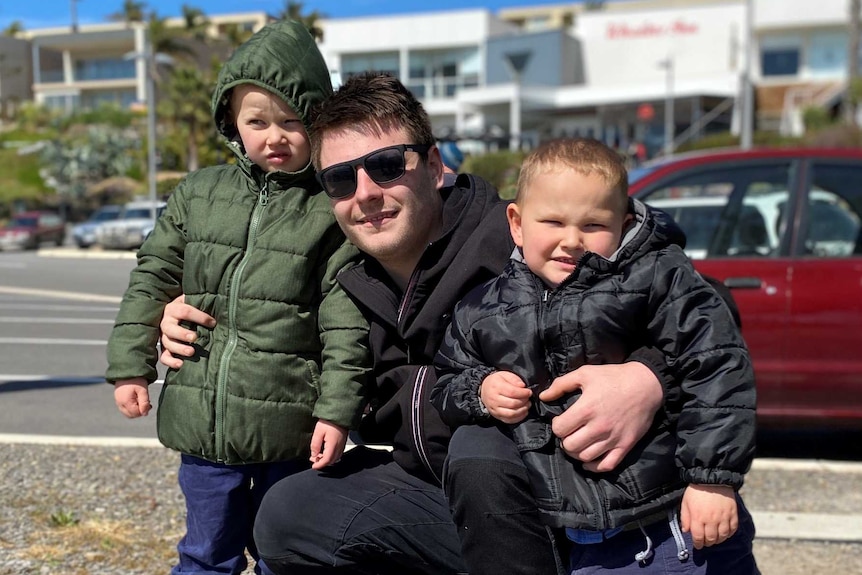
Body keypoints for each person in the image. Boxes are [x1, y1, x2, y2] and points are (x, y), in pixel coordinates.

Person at [158, 74, 705, 575]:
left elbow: (701, 299)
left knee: (479, 445)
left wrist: (647, 377)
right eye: (342, 179)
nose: (366, 192)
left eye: (389, 164)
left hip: (579, 502)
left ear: (435, 164)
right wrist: (193, 317)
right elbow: (269, 333)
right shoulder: (347, 285)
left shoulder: (516, 237)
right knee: (290, 513)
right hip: (445, 497)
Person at [105, 20, 369, 575]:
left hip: (292, 429)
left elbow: (346, 324)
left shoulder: (331, 210)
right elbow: (152, 276)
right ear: (231, 123)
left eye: (292, 121)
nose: (274, 136)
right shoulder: (199, 193)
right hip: (203, 424)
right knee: (205, 553)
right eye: (257, 121)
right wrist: (131, 365)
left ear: (319, 122)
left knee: (286, 551)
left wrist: (337, 412)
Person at [432, 137, 759, 574]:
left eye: (593, 225)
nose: (572, 240)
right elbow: (447, 380)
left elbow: (717, 363)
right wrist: (480, 389)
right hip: (582, 541)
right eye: (553, 221)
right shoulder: (482, 308)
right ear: (516, 223)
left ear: (623, 224)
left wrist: (711, 480)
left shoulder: (658, 277)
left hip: (671, 522)